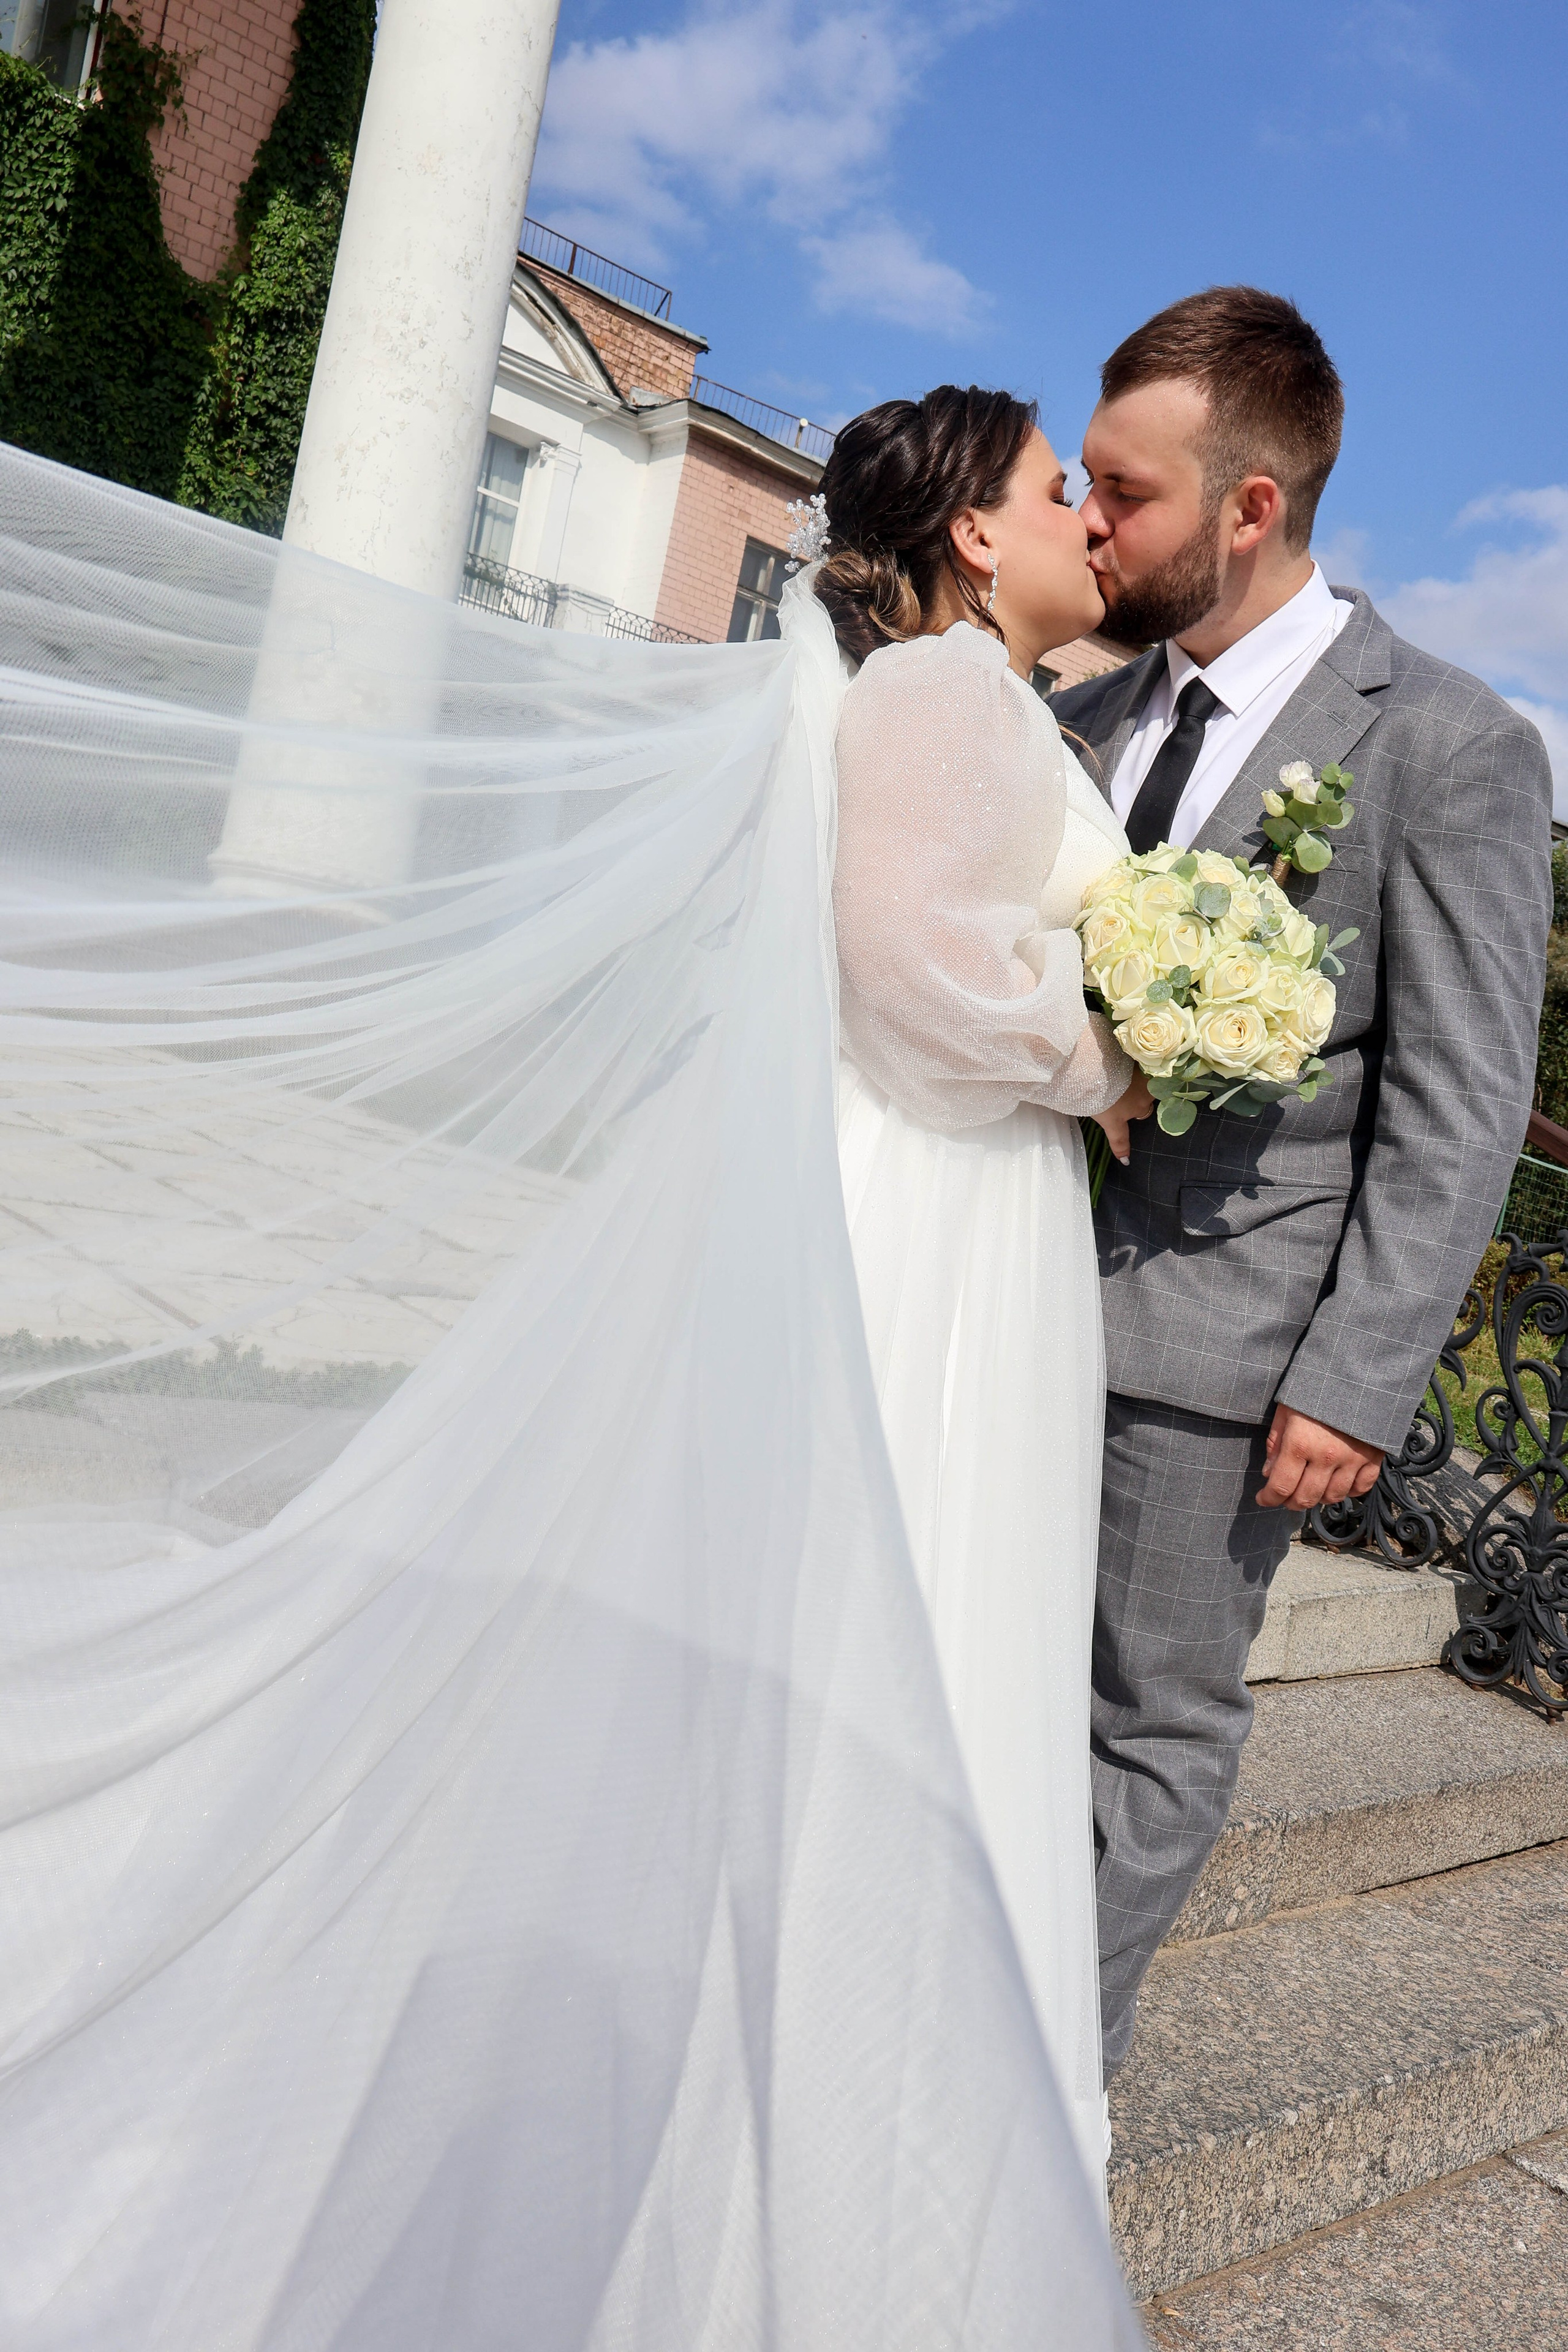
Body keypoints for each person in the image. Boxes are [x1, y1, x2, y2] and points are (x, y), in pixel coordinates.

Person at [1051, 285, 1554, 2076]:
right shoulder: (1082, 714)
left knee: (1146, 1731)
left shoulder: (1451, 743)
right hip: (1004, 1292)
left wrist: (1356, 1379)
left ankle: (1032, 2100)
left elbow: (1463, 1095)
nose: (1088, 524)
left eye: (1124, 494)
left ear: (1251, 506)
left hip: (1221, 1360)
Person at [803, 386, 1152, 2182]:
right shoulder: (941, 690)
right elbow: (910, 970)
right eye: (1055, 485)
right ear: (973, 536)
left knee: (964, 1593)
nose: (1088, 515)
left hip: (990, 1199)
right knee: (925, 1586)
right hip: (939, 1199)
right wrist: (1112, 1063)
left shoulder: (1000, 700)